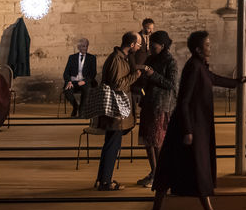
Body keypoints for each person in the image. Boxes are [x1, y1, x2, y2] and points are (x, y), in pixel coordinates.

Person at [146, 30, 238, 210]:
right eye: (207, 44)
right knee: (183, 169)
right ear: (198, 49)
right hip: (186, 128)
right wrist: (187, 131)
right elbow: (184, 100)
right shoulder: (193, 67)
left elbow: (214, 78)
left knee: (188, 169)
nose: (210, 47)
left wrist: (238, 82)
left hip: (193, 126)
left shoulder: (199, 65)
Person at [95, 32, 149, 191]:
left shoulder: (121, 58)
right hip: (116, 110)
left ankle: (102, 179)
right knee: (112, 145)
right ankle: (105, 182)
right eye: (138, 44)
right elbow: (117, 85)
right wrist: (135, 76)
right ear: (131, 45)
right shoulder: (116, 60)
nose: (139, 47)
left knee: (110, 144)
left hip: (118, 109)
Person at [136, 30, 178, 188]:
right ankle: (154, 172)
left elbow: (171, 84)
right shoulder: (151, 59)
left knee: (157, 141)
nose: (151, 49)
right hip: (148, 103)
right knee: (148, 141)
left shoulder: (170, 61)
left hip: (161, 105)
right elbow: (145, 81)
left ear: (163, 45)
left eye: (154, 47)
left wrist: (153, 74)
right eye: (150, 46)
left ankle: (161, 175)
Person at [62, 38, 97, 117]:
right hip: (73, 81)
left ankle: (81, 110)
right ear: (79, 47)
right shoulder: (72, 57)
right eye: (83, 46)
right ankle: (75, 106)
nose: (85, 48)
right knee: (67, 90)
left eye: (86, 46)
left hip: (85, 82)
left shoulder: (92, 58)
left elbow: (93, 73)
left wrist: (84, 81)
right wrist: (69, 81)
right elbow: (66, 72)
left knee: (87, 89)